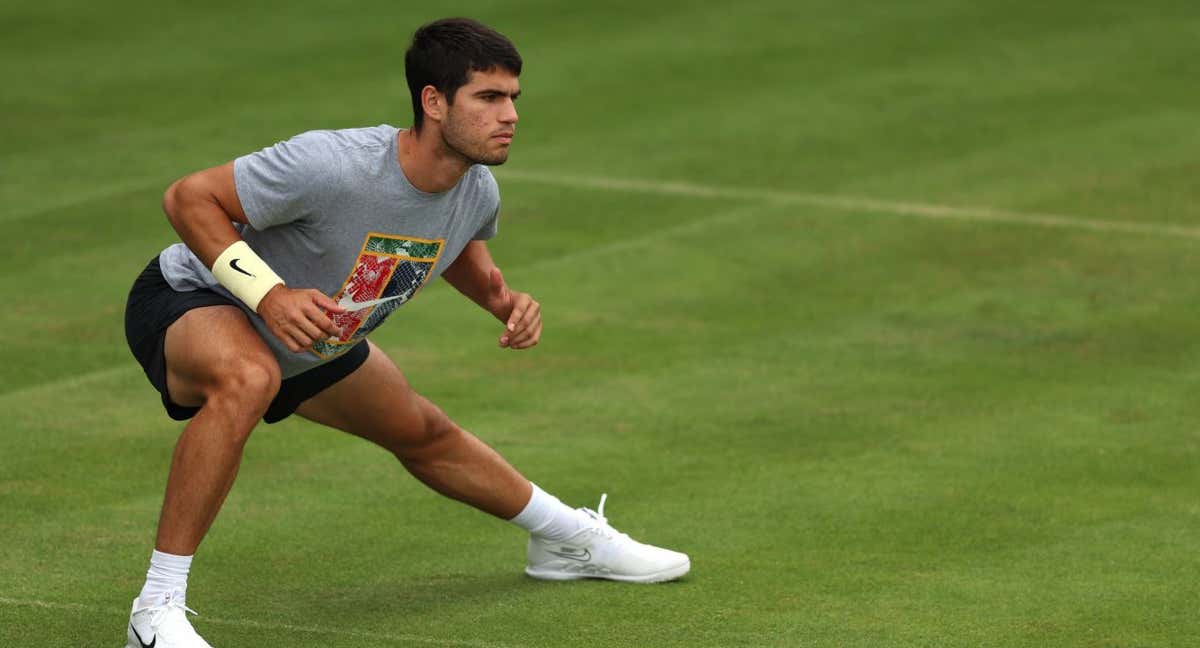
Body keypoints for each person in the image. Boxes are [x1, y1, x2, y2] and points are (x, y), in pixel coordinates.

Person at [120, 17, 689, 648]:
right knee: (246, 378)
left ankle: (565, 542)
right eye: (490, 98)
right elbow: (187, 198)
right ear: (435, 102)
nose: (510, 115)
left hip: (315, 334)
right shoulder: (330, 164)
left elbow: (454, 248)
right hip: (193, 298)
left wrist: (504, 303)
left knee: (423, 432)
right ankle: (156, 608)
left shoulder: (475, 187)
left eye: (513, 99)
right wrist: (269, 293)